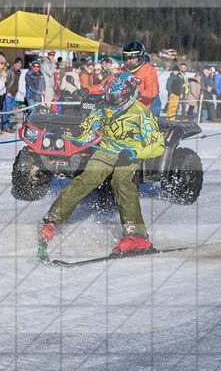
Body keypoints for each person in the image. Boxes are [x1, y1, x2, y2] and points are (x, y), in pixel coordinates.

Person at [38, 72, 165, 258]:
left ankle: (136, 235)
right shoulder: (103, 107)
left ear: (129, 95)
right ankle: (52, 220)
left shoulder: (141, 113)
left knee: (121, 183)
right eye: (110, 98)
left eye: (117, 99)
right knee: (85, 180)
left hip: (129, 154)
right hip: (106, 150)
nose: (112, 103)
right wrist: (65, 132)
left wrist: (134, 153)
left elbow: (157, 145)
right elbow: (85, 129)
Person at [88, 42, 160, 115]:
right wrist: (88, 90)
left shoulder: (149, 70)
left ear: (140, 57)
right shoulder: (123, 70)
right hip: (128, 108)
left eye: (132, 57)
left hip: (148, 108)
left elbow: (152, 92)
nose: (129, 60)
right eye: (126, 58)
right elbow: (106, 84)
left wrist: (136, 93)